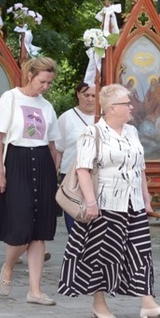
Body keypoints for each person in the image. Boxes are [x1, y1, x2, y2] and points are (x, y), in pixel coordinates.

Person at [58, 84, 160, 318]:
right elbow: (83, 170)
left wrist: (147, 198)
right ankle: (98, 303)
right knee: (101, 253)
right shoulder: (93, 133)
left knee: (141, 251)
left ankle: (147, 302)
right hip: (106, 203)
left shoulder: (132, 131)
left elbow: (139, 168)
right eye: (126, 104)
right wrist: (90, 203)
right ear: (112, 108)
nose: (132, 107)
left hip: (133, 203)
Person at [0, 57, 60, 305]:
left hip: (42, 162)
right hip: (17, 160)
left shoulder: (47, 106)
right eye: (42, 81)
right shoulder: (10, 98)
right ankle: (9, 265)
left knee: (40, 230)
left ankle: (35, 290)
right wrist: (0, 171)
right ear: (30, 75)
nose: (45, 87)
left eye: (49, 83)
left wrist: (55, 174)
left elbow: (52, 145)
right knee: (21, 225)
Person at [55, 82, 97, 234]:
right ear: (78, 94)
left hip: (97, 176)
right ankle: (76, 254)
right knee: (75, 221)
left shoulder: (105, 117)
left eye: (94, 95)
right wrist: (54, 175)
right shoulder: (67, 118)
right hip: (72, 176)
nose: (90, 99)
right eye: (86, 95)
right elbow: (58, 150)